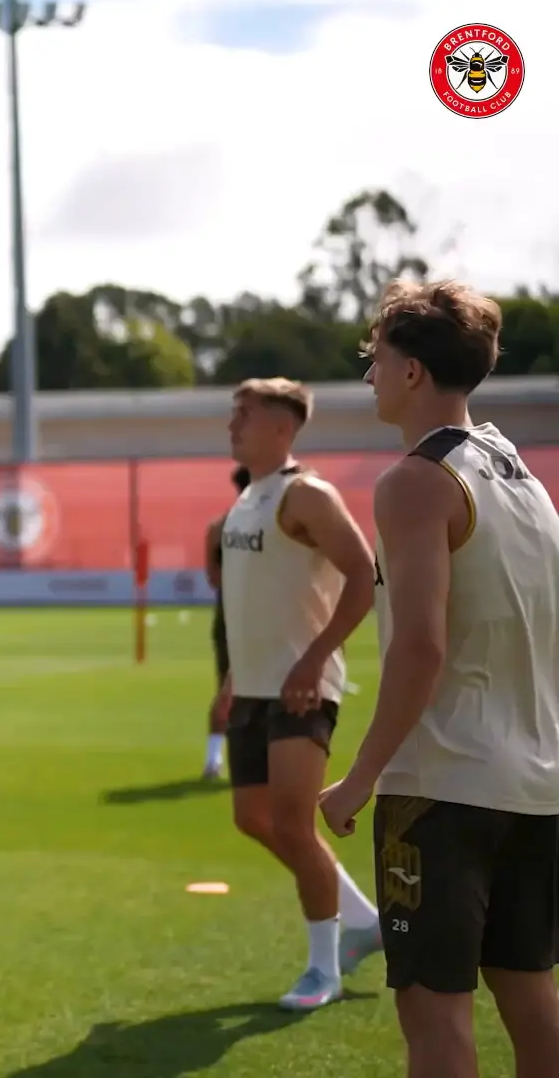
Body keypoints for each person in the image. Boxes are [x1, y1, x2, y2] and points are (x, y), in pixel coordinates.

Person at [320, 280, 559, 1078]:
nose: (369, 377)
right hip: (537, 785)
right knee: (532, 1001)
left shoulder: (416, 482)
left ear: (413, 371)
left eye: (377, 359)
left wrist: (360, 778)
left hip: (444, 788)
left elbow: (419, 647)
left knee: (435, 1020)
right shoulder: (523, 478)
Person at [216, 376, 384, 1011]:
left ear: (283, 427)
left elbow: (364, 576)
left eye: (245, 414)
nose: (232, 425)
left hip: (301, 690)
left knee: (292, 821)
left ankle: (323, 969)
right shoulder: (248, 497)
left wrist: (314, 660)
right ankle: (363, 921)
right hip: (255, 688)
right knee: (253, 819)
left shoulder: (305, 494)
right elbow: (252, 600)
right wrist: (232, 678)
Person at [200, 466, 251, 780]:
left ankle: (215, 759)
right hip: (250, 614)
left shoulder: (218, 526)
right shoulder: (271, 524)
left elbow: (212, 576)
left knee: (226, 688)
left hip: (229, 613)